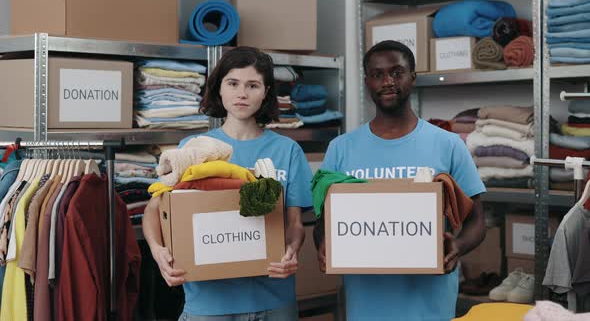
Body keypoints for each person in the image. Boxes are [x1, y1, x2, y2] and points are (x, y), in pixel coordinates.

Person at [316, 40, 487, 320]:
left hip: (429, 304)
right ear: (367, 81)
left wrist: (457, 247)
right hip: (366, 303)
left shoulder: (448, 144)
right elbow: (324, 221)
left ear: (413, 77)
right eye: (377, 74)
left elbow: (477, 220)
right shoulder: (341, 148)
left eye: (397, 72)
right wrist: (323, 244)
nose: (387, 81)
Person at [142, 46, 313, 321]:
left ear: (266, 92)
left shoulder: (287, 151)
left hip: (274, 300)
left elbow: (294, 223)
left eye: (253, 85)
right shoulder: (193, 149)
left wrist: (293, 250)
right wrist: (157, 250)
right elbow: (154, 209)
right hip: (209, 304)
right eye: (233, 83)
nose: (242, 93)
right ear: (219, 88)